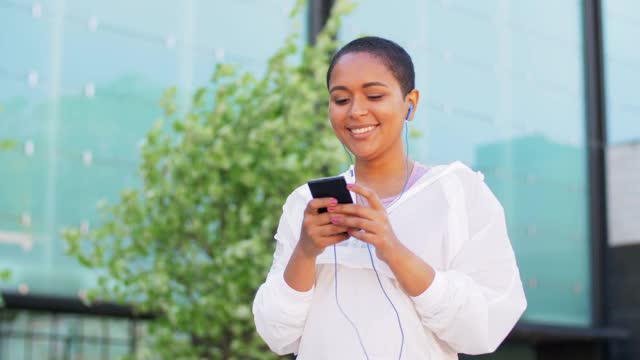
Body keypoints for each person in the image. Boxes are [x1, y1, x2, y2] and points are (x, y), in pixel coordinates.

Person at [253, 36, 527, 359]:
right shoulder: (306, 205)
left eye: (374, 95)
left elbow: (485, 328)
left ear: (410, 103)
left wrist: (393, 251)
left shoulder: (457, 194)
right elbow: (277, 334)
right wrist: (305, 252)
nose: (356, 111)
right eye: (341, 100)